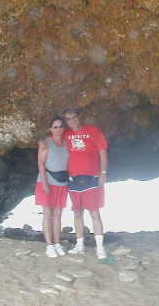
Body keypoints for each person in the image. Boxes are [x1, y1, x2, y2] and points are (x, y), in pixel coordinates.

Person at [63, 107, 108, 260]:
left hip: (92, 177)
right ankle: (79, 245)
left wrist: (103, 173)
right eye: (68, 119)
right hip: (73, 178)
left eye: (74, 117)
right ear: (66, 122)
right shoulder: (66, 135)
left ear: (79, 117)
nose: (72, 121)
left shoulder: (93, 131)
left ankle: (100, 248)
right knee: (77, 212)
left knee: (94, 212)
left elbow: (102, 152)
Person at [35, 116, 69, 258]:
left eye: (60, 126)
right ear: (50, 129)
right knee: (48, 214)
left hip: (62, 183)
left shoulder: (67, 143)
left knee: (58, 215)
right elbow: (41, 164)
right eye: (55, 127)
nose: (58, 129)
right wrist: (45, 184)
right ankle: (49, 246)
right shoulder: (45, 143)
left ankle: (57, 243)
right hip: (46, 181)